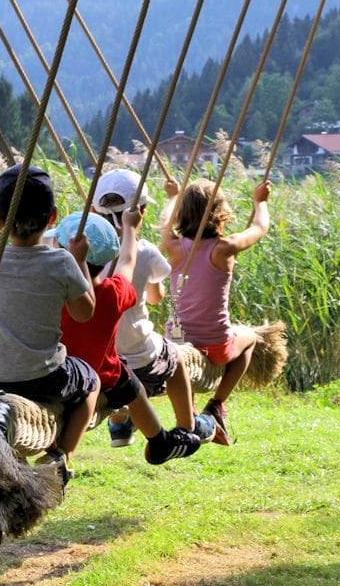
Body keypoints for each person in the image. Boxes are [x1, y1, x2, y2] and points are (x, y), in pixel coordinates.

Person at [0, 164, 100, 483]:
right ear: (53, 217)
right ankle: (61, 455)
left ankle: (17, 463)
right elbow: (84, 313)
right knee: (91, 380)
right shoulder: (62, 262)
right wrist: (81, 261)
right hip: (45, 377)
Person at [52, 208, 201, 465]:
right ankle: (159, 441)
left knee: (129, 383)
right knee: (132, 385)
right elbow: (127, 262)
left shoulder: (49, 292)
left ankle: (121, 428)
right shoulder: (113, 293)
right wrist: (130, 229)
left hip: (58, 373)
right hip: (102, 376)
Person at [92, 169, 221, 446]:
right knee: (174, 360)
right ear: (141, 211)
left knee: (121, 366)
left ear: (94, 209)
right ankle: (188, 426)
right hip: (138, 355)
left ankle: (119, 425)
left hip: (96, 356)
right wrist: (155, 287)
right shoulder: (146, 251)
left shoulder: (80, 249)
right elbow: (155, 297)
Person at [160, 176, 271, 443]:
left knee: (189, 352)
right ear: (220, 213)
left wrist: (172, 197)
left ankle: (193, 410)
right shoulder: (225, 248)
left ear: (183, 214)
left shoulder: (173, 247)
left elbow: (165, 224)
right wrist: (260, 202)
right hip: (215, 345)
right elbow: (260, 227)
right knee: (251, 338)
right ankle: (217, 403)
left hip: (176, 340)